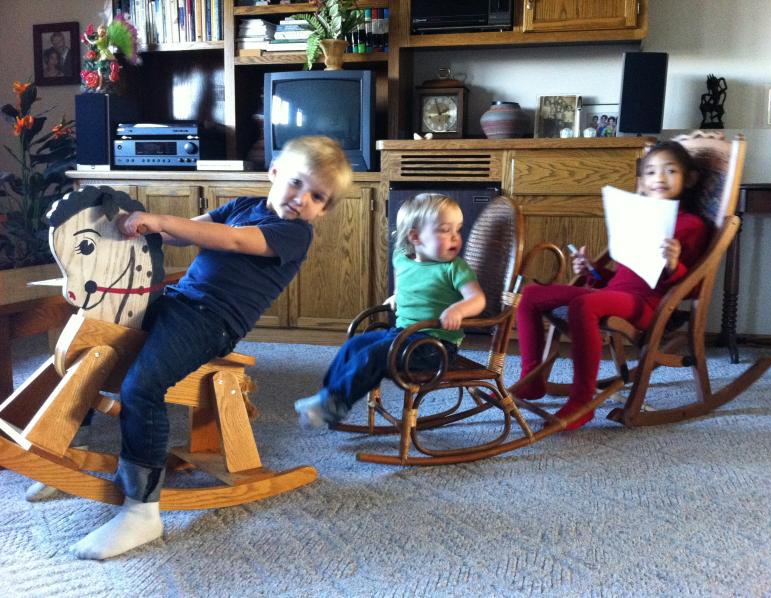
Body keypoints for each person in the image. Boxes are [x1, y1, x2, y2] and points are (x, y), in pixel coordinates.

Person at [69, 136, 352, 560]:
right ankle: (71, 445)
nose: (301, 199)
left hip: (210, 321)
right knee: (97, 336)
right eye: (296, 183)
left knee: (142, 387)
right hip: (176, 299)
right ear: (274, 173)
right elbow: (184, 235)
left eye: (317, 197)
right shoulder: (242, 205)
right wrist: (136, 224)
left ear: (323, 211)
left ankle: (141, 511)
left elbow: (231, 241)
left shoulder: (294, 234)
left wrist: (161, 219)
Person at [513, 140, 712, 430]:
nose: (659, 177)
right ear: (641, 181)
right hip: (616, 294)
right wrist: (592, 270)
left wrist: (673, 263)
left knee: (585, 304)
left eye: (670, 170)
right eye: (651, 171)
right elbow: (624, 276)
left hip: (647, 305)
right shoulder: (638, 219)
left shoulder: (691, 225)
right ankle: (532, 380)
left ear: (689, 179)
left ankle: (582, 402)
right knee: (531, 294)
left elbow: (691, 288)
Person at [293, 193, 486, 429]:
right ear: (415, 236)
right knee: (354, 345)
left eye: (458, 229)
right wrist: (398, 296)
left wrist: (458, 309)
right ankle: (327, 397)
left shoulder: (454, 268)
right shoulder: (401, 258)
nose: (455, 236)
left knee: (375, 354)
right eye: (445, 230)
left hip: (434, 347)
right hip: (403, 334)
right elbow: (412, 284)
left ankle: (335, 404)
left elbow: (478, 299)